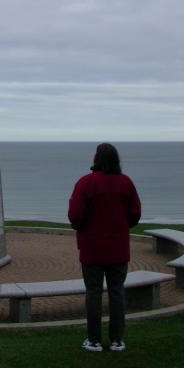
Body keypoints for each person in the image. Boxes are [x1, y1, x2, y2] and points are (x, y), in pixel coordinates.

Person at [68, 143, 141, 353]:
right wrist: (120, 225)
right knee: (117, 293)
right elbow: (135, 213)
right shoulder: (125, 183)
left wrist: (83, 228)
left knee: (93, 294)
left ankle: (94, 340)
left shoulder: (86, 183)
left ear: (96, 159)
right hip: (118, 249)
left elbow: (74, 214)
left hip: (92, 250)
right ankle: (117, 340)